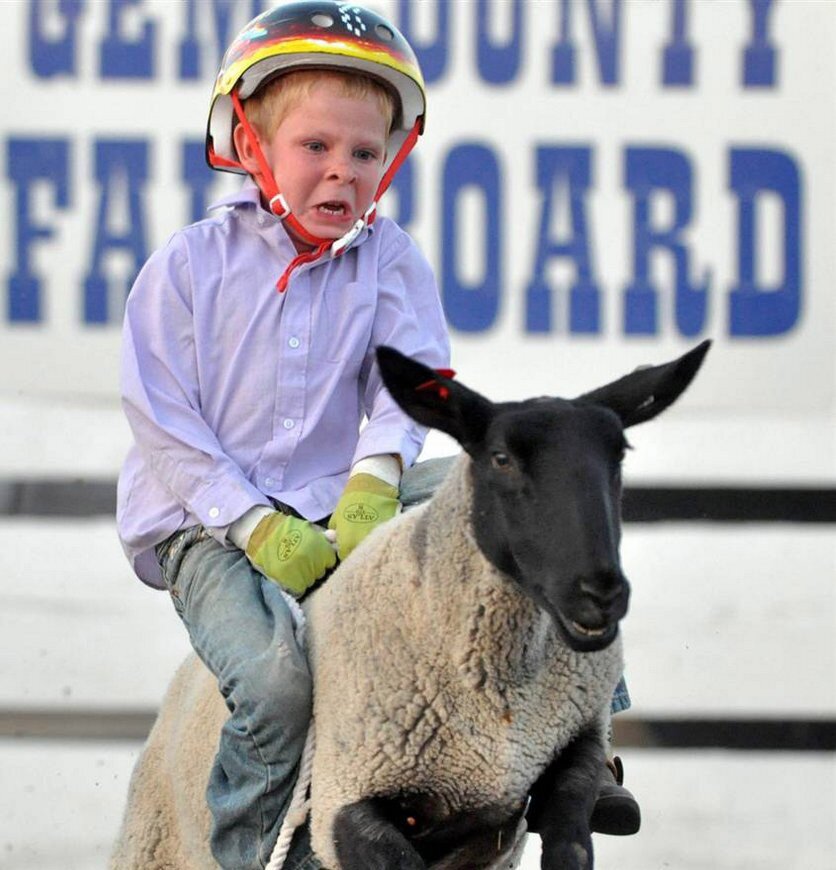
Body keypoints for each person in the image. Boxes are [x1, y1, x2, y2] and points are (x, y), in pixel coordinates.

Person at [116, 2, 636, 867]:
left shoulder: (390, 259)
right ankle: (245, 850)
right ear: (252, 146)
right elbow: (164, 422)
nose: (342, 172)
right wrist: (251, 524)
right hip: (202, 522)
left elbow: (417, 385)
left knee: (523, 495)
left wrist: (374, 474)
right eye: (315, 147)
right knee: (277, 686)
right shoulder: (186, 266)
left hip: (333, 494)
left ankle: (591, 738)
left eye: (365, 153)